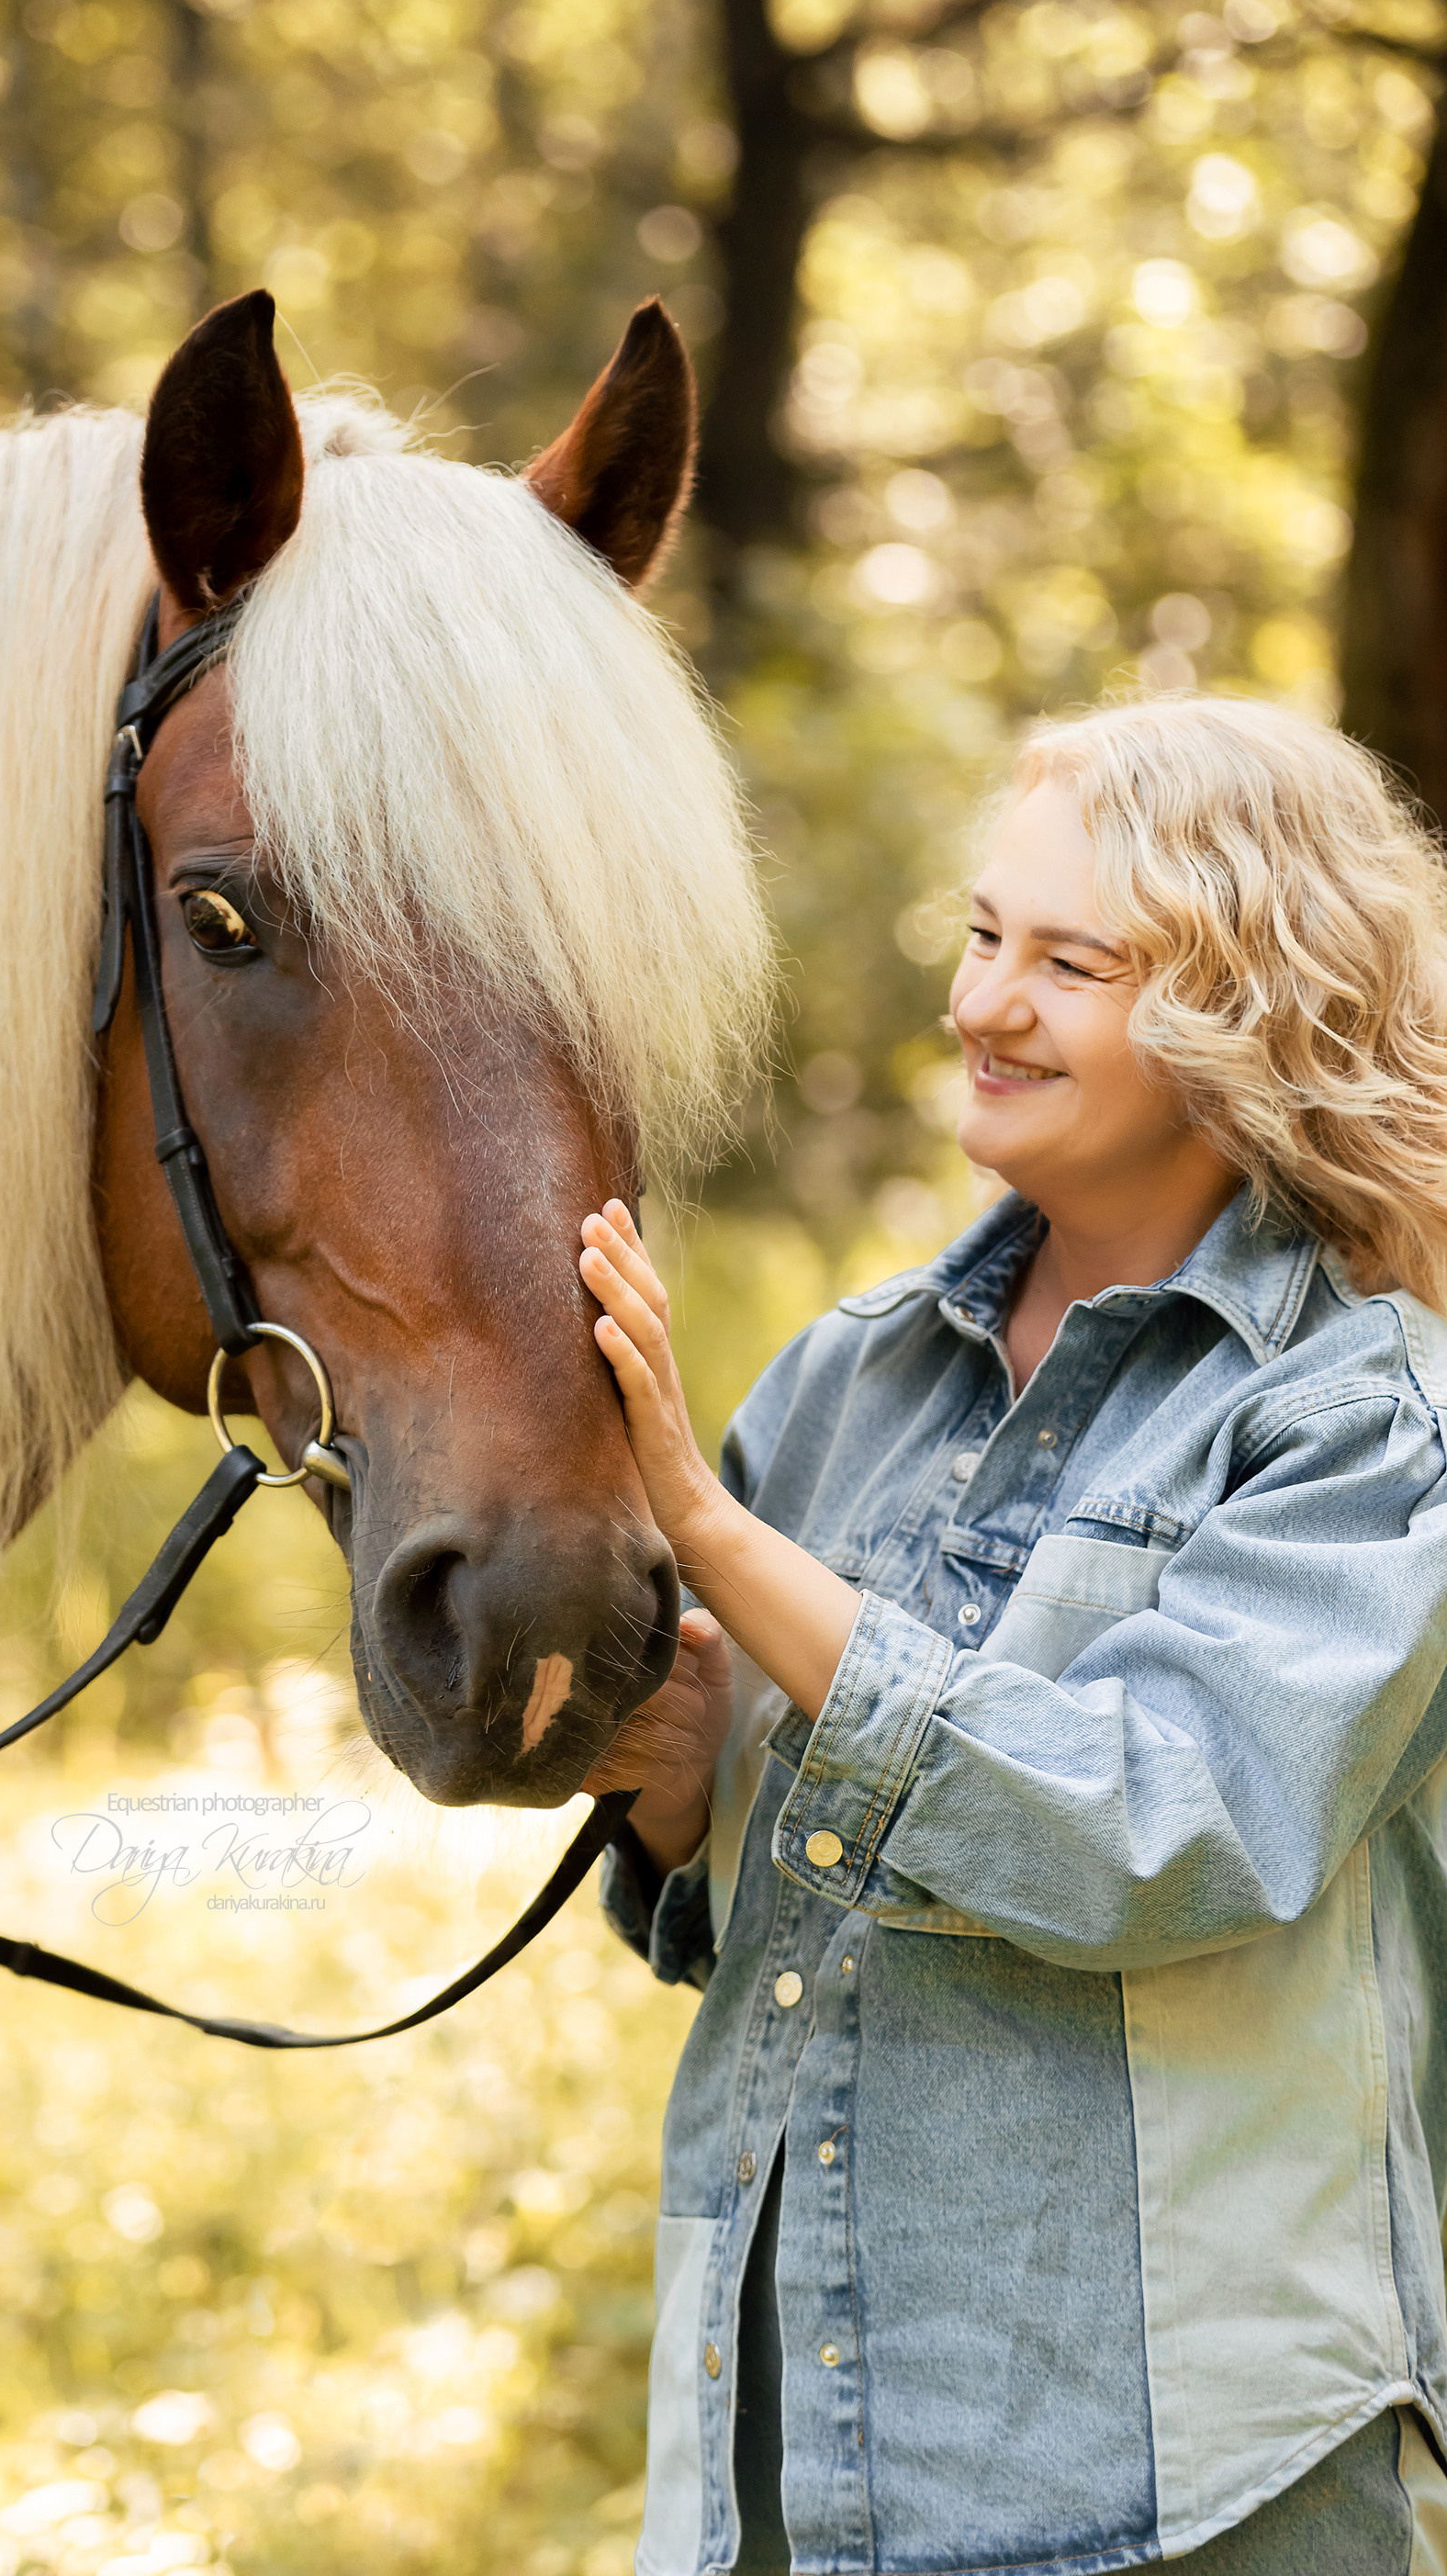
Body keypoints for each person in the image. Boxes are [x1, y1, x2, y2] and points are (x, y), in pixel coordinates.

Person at [577, 695, 1447, 2576]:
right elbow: (765, 1894)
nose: (985, 1004)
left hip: (1181, 2492)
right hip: (793, 2446)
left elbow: (1155, 1826)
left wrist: (716, 1533)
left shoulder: (1359, 1425)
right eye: (986, 937)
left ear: (1253, 1014)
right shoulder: (848, 1378)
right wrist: (667, 1790)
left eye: (1072, 963)